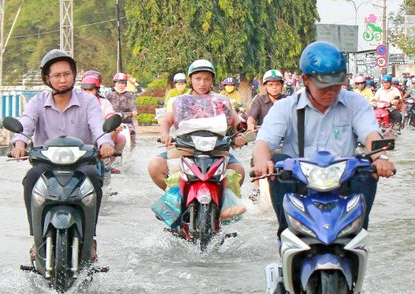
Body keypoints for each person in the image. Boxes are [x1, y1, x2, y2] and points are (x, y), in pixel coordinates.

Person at [252, 41, 396, 237]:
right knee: (278, 162)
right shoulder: (285, 107)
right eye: (324, 87)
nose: (331, 92)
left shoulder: (356, 103)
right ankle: (286, 235)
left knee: (366, 165)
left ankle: (358, 235)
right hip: (298, 183)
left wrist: (380, 158)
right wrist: (262, 162)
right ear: (306, 80)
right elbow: (264, 142)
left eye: (336, 86)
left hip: (343, 182)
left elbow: (370, 134)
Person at [10, 49, 114, 259]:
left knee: (94, 177)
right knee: (30, 178)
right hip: (47, 164)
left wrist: (105, 144)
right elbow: (26, 124)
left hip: (81, 163)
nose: (62, 79)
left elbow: (98, 126)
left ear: (74, 75)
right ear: (47, 79)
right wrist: (19, 143)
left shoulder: (88, 101)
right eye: (56, 75)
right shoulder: (37, 102)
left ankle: (91, 238)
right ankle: (36, 237)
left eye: (67, 74)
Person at [148, 59, 247, 191]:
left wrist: (239, 135)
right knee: (155, 166)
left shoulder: (222, 101)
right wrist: (165, 135)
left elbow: (236, 122)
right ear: (191, 79)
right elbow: (166, 120)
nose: (202, 83)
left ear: (212, 81)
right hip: (185, 146)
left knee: (239, 172)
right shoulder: (180, 101)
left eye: (207, 79)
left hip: (217, 148)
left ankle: (224, 204)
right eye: (198, 78)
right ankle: (175, 197)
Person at [81, 72, 126, 159]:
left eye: (90, 90)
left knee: (120, 137)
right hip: (82, 135)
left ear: (97, 90)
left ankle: (108, 163)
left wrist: (114, 125)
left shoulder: (104, 102)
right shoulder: (76, 103)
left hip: (101, 134)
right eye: (85, 90)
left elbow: (110, 115)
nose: (87, 93)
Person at [106, 71, 137, 145]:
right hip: (112, 123)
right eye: (118, 83)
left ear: (126, 84)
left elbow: (135, 112)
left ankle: (131, 152)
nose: (120, 85)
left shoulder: (130, 95)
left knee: (131, 133)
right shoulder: (109, 95)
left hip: (126, 122)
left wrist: (125, 115)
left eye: (122, 83)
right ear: (115, 84)